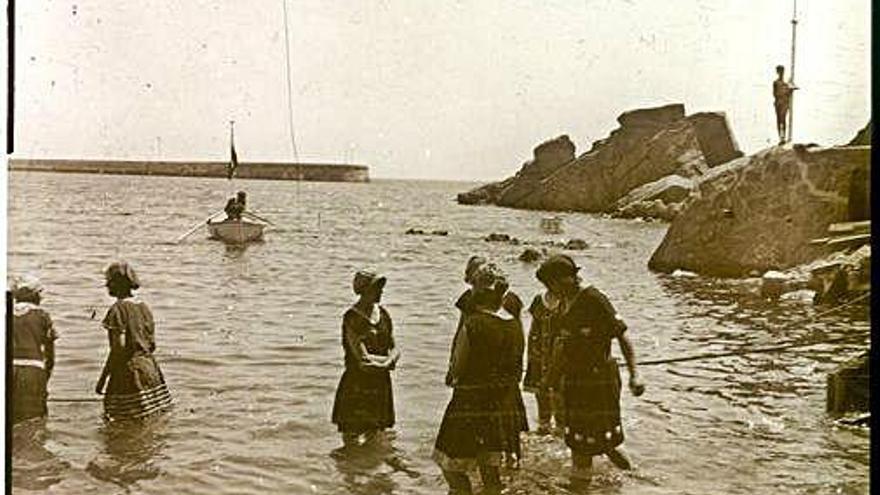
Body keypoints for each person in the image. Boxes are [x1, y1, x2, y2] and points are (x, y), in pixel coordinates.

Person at [536, 254, 645, 489]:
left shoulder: (594, 299)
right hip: (575, 381)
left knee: (594, 444)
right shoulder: (564, 302)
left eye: (551, 284)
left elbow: (622, 336)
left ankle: (582, 487)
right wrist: (549, 380)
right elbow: (561, 345)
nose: (549, 290)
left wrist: (635, 375)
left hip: (599, 380)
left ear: (567, 278)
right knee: (588, 442)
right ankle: (632, 481)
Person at [434, 263, 525, 495]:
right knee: (490, 469)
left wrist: (453, 376)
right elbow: (517, 367)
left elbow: (457, 368)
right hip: (500, 406)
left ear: (477, 291)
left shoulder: (473, 324)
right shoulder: (515, 324)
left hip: (469, 404)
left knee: (451, 467)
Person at [95, 262, 173, 421]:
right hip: (151, 369)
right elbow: (152, 344)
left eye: (108, 281)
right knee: (152, 419)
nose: (106, 285)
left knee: (119, 420)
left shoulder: (117, 310)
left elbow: (118, 349)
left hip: (130, 372)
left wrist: (103, 379)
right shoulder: (144, 307)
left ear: (115, 284)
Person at [331, 270, 400, 448]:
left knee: (376, 438)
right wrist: (389, 362)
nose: (381, 292)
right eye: (377, 288)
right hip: (356, 384)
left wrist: (389, 361)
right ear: (365, 290)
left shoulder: (383, 313)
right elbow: (362, 360)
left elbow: (394, 346)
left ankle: (371, 472)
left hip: (381, 383)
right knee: (351, 442)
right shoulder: (351, 318)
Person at [11, 274, 57, 424]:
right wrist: (45, 377)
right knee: (34, 421)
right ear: (36, 295)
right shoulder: (43, 316)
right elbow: (50, 357)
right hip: (33, 370)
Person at [523, 289, 566, 436]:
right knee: (540, 390)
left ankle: (561, 427)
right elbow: (534, 330)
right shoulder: (539, 299)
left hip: (560, 355)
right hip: (539, 353)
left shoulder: (567, 301)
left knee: (560, 392)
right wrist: (531, 354)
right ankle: (544, 424)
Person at [773, 65, 798, 144]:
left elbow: (791, 91)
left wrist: (790, 89)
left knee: (783, 119)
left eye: (782, 71)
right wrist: (787, 91)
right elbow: (775, 93)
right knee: (779, 119)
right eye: (780, 71)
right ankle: (780, 137)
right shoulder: (776, 82)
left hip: (785, 103)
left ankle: (784, 136)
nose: (781, 73)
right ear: (777, 72)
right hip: (778, 102)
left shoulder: (786, 84)